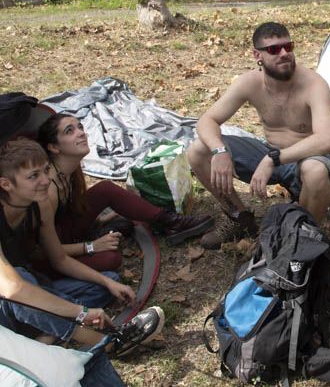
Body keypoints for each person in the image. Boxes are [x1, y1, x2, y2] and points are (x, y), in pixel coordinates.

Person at [0, 138, 164, 355]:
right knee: (19, 282)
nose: (45, 180)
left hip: (18, 303)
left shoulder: (37, 205)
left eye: (45, 170)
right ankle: (112, 343)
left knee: (101, 284)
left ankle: (45, 335)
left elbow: (59, 259)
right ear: (6, 184)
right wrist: (80, 313)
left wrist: (106, 282)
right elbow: (11, 289)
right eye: (33, 176)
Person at [187, 22, 330, 249]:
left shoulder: (314, 84)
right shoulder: (249, 82)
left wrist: (273, 159)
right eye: (275, 50)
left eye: (288, 46)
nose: (285, 54)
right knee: (198, 151)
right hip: (269, 151)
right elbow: (207, 120)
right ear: (257, 55)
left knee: (315, 171)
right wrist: (219, 150)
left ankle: (302, 236)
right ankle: (240, 219)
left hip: (305, 157)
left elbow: (327, 139)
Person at [37, 113, 214, 270]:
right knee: (111, 259)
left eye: (80, 127)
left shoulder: (70, 170)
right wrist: (91, 246)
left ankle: (172, 222)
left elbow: (69, 213)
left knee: (107, 192)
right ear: (53, 147)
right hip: (48, 257)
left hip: (67, 233)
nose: (81, 132)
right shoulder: (48, 190)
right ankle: (94, 238)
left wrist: (99, 220)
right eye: (69, 131)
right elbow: (44, 251)